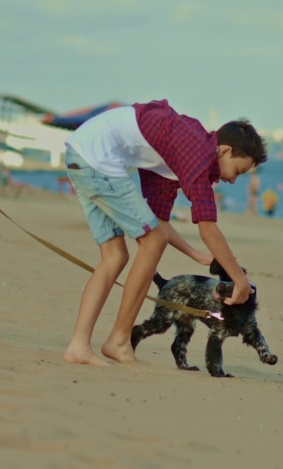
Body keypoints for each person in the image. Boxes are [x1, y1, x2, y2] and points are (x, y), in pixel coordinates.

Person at [61, 100, 268, 366]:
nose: (233, 180)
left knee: (115, 256)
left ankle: (78, 346)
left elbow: (159, 220)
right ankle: (119, 341)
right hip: (98, 160)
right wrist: (239, 280)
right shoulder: (198, 151)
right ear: (225, 150)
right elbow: (206, 226)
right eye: (237, 170)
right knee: (152, 241)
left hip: (81, 154)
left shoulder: (175, 157)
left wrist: (195, 255)